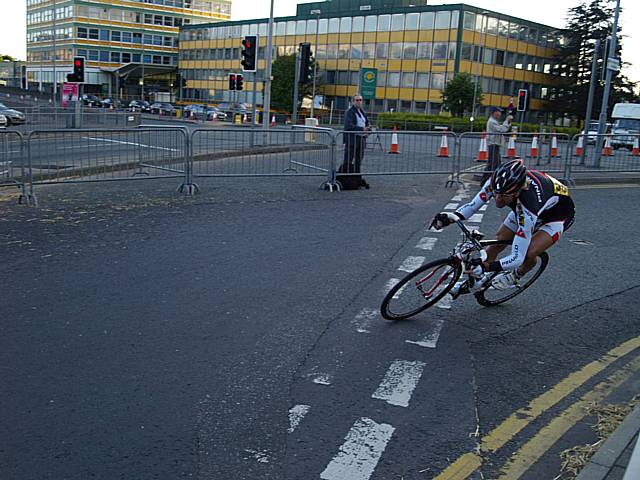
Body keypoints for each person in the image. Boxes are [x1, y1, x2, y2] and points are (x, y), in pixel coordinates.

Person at [431, 159, 575, 297]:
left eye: (504, 196)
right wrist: (450, 218)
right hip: (528, 206)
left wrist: (489, 267)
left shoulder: (528, 205)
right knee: (499, 241)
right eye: (496, 194)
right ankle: (480, 279)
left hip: (556, 217)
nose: (498, 200)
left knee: (529, 252)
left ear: (518, 191)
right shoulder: (497, 183)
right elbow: (473, 206)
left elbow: (517, 258)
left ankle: (516, 276)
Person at [340, 94, 371, 188]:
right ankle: (346, 180)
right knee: (348, 161)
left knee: (358, 161)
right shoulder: (349, 112)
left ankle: (356, 179)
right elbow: (348, 126)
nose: (359, 102)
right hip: (352, 140)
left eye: (360, 100)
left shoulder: (362, 112)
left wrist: (368, 130)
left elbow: (368, 123)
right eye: (357, 100)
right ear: (353, 101)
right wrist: (362, 129)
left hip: (361, 140)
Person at [485, 106, 513, 183]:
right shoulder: (492, 122)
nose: (500, 114)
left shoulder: (493, 121)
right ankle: (488, 181)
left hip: (495, 144)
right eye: (498, 112)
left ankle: (486, 180)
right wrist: (506, 121)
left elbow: (502, 128)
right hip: (493, 144)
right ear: (494, 112)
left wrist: (508, 123)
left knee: (493, 163)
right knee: (494, 164)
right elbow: (502, 130)